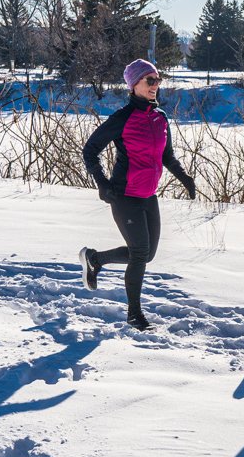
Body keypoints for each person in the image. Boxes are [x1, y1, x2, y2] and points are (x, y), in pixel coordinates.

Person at [80, 60, 196, 330]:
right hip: (124, 195)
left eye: (157, 80)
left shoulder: (160, 117)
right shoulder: (123, 117)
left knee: (147, 254)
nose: (155, 86)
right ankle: (134, 315)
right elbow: (90, 150)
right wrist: (102, 183)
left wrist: (184, 177)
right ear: (134, 85)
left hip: (148, 195)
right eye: (150, 81)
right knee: (140, 252)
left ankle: (94, 259)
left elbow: (167, 156)